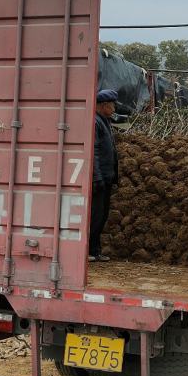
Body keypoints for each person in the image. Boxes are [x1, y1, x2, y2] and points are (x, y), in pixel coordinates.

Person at [89, 88, 119, 262]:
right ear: (104, 105)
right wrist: (96, 177)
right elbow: (94, 153)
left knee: (102, 215)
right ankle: (90, 251)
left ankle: (95, 250)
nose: (114, 109)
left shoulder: (103, 121)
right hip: (99, 179)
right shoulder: (95, 122)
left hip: (106, 177)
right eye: (112, 105)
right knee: (96, 216)